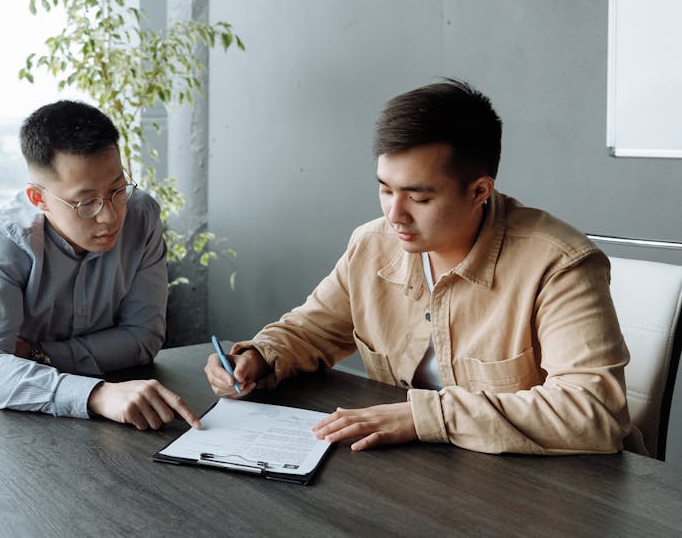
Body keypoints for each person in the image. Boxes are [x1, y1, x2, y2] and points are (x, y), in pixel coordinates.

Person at [206, 79, 636, 455]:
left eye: (420, 198)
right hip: (420, 477)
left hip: (548, 492)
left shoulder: (559, 264)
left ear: (478, 191)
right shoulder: (373, 244)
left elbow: (592, 411)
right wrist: (259, 358)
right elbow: (310, 331)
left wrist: (421, 417)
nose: (395, 214)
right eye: (385, 190)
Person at [0, 100, 199, 431]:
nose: (110, 216)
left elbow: (144, 338)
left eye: (117, 190)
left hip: (118, 423)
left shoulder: (141, 216)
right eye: (86, 203)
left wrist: (39, 355)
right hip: (14, 429)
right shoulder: (3, 241)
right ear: (38, 199)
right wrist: (95, 394)